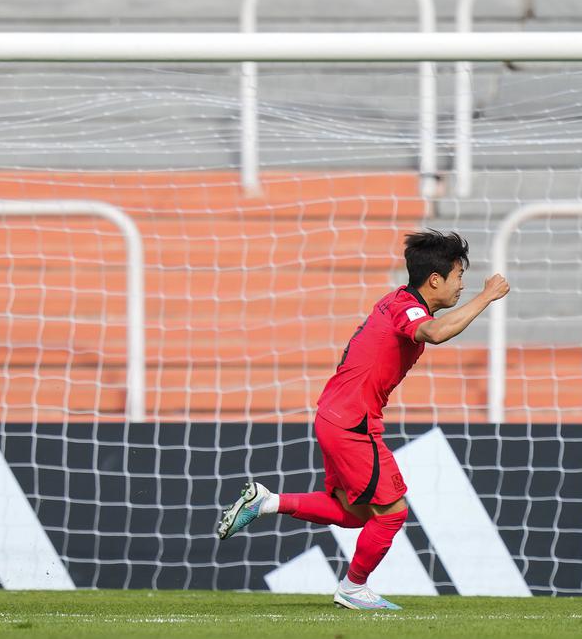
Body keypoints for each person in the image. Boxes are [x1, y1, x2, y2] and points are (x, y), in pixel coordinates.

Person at [216, 230, 510, 610]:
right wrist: (486, 297)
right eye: (458, 275)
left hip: (334, 416)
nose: (462, 284)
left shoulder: (396, 300)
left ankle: (267, 502)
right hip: (353, 423)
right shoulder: (409, 310)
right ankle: (353, 588)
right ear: (435, 279)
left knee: (355, 514)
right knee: (393, 512)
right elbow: (434, 333)